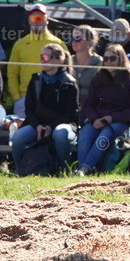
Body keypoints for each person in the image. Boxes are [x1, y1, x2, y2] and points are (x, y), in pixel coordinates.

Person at [11, 43, 79, 175]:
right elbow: (29, 109)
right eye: (41, 56)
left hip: (63, 124)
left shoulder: (69, 83)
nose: (43, 60)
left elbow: (71, 113)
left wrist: (51, 126)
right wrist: (37, 126)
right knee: (18, 137)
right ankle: (20, 172)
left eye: (47, 57)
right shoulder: (35, 79)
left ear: (59, 60)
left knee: (60, 134)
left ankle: (64, 170)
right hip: (38, 123)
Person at [77, 42, 130, 175]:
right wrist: (95, 119)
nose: (109, 62)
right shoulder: (98, 78)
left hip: (120, 122)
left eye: (112, 58)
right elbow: (88, 104)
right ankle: (81, 170)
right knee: (85, 135)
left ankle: (86, 168)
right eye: (106, 59)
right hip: (98, 118)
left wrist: (112, 118)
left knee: (105, 136)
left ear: (121, 59)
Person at [7, 3, 69, 118]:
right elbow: (12, 72)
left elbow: (67, 70)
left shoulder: (58, 44)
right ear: (29, 21)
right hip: (24, 98)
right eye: (33, 18)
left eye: (40, 18)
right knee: (22, 133)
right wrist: (16, 97)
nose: (36, 21)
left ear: (47, 20)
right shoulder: (20, 44)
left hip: (52, 97)